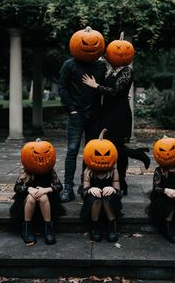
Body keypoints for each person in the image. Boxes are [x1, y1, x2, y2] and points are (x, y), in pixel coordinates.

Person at [82, 34, 150, 196]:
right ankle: (136, 154)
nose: (117, 53)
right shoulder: (110, 71)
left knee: (117, 147)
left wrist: (95, 85)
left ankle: (122, 183)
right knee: (108, 145)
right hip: (107, 112)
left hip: (119, 114)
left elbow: (114, 91)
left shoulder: (127, 71)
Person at [58, 27, 106, 202]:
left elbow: (104, 89)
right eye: (85, 43)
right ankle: (67, 188)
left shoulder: (101, 66)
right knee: (72, 150)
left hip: (95, 115)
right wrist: (71, 109)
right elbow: (62, 88)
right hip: (76, 114)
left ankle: (85, 185)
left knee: (90, 152)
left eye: (94, 43)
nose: (89, 46)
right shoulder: (69, 65)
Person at [80, 133, 122, 242]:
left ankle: (112, 226)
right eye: (98, 154)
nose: (102, 158)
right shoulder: (88, 172)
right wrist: (90, 189)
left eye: (107, 154)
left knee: (108, 199)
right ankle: (95, 227)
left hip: (110, 200)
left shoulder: (114, 171)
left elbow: (118, 193)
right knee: (96, 200)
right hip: (93, 201)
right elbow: (83, 193)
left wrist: (113, 189)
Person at [9, 166, 66, 245]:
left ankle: (48, 230)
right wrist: (29, 189)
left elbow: (59, 186)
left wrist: (46, 189)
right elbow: (17, 187)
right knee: (30, 199)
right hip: (28, 198)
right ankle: (26, 230)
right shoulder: (27, 168)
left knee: (43, 197)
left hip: (45, 199)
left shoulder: (48, 169)